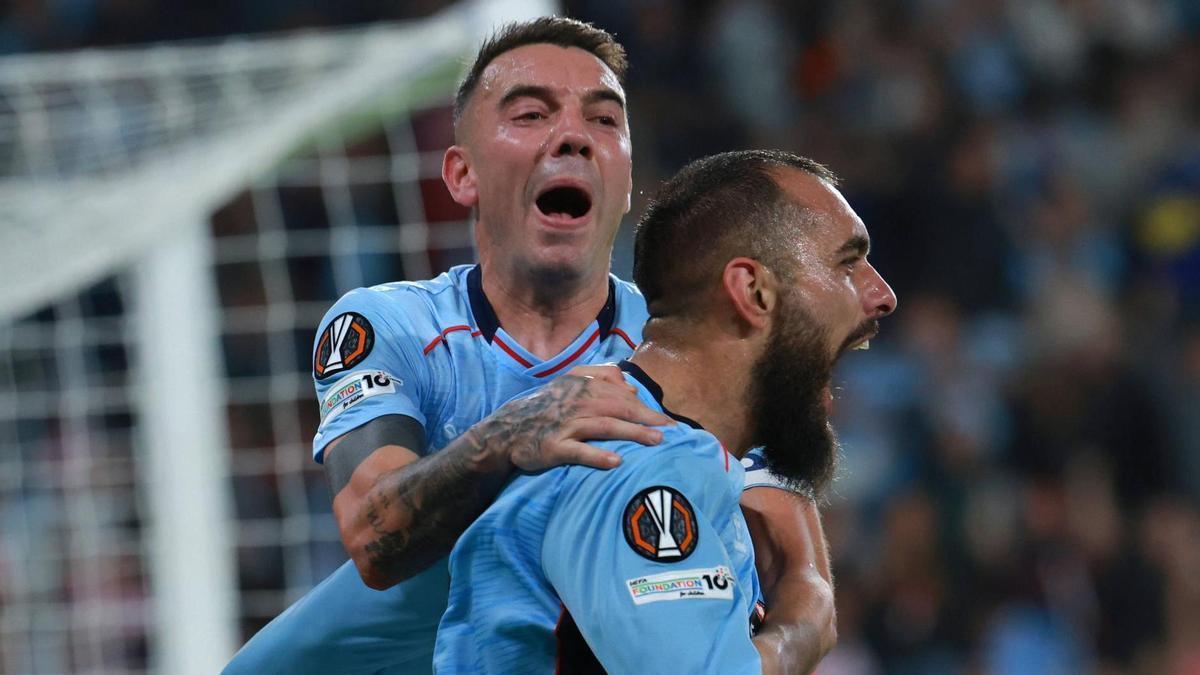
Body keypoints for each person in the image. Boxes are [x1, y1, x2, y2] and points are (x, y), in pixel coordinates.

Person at [226, 19, 836, 674]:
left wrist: (755, 663)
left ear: (628, 180)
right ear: (463, 174)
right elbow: (373, 536)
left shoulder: (701, 344)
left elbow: (805, 584)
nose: (574, 135)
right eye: (531, 114)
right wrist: (510, 435)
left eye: (604, 120)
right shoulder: (392, 324)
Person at [435, 149, 897, 673]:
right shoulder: (637, 463)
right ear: (753, 292)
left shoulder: (671, 447)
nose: (883, 295)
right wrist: (804, 625)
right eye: (847, 263)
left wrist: (804, 577)